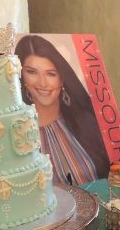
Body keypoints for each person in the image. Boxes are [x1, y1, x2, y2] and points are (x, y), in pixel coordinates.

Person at [15, 35, 110, 184]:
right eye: (32, 72)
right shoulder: (15, 133)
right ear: (22, 76)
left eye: (51, 74)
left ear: (62, 78)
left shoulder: (87, 121)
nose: (42, 83)